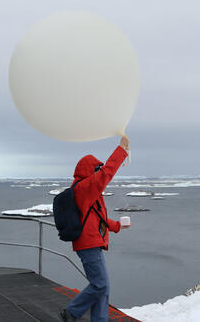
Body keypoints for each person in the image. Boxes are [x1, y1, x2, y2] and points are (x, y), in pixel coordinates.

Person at [60, 135, 131, 322]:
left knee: (102, 287)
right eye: (96, 169)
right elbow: (107, 173)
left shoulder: (87, 191)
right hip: (87, 244)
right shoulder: (84, 188)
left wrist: (117, 226)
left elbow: (98, 218)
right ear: (88, 171)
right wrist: (121, 149)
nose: (99, 172)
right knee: (100, 285)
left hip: (91, 242)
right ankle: (72, 312)